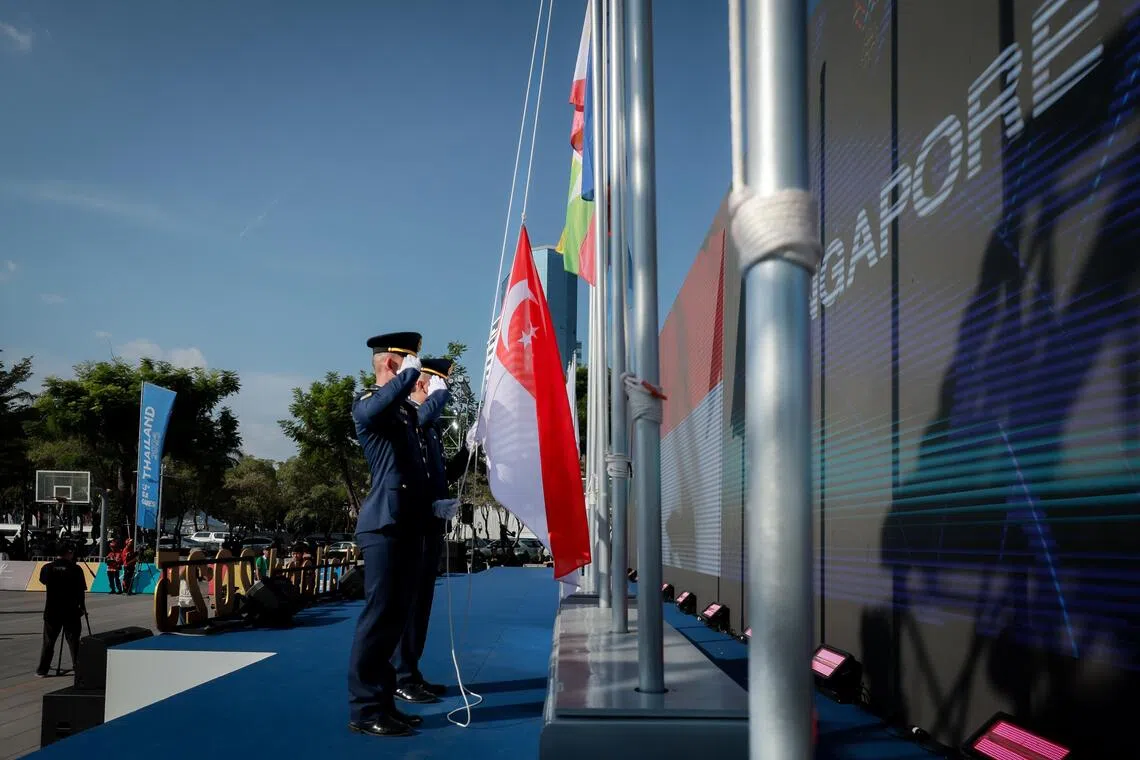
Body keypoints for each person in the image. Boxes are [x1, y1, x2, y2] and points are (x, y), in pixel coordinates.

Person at [346, 331, 431, 738]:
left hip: (409, 522)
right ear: (394, 363)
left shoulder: (403, 414)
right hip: (383, 525)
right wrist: (405, 376)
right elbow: (380, 406)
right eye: (410, 360)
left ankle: (385, 702)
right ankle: (364, 709)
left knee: (396, 619)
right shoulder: (368, 405)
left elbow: (414, 459)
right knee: (378, 618)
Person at [393, 357, 467, 701]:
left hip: (429, 524)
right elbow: (420, 418)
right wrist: (439, 397)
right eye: (428, 385)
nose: (429, 391)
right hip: (409, 525)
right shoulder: (407, 416)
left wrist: (468, 451)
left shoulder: (430, 428)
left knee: (422, 603)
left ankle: (411, 671)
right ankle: (399, 676)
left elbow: (438, 475)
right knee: (407, 605)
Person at [36, 542, 87, 677]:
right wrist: (82, 608)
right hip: (71, 611)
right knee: (74, 641)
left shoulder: (47, 568)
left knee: (49, 642)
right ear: (69, 553)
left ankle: (42, 669)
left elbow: (43, 581)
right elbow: (81, 591)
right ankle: (78, 667)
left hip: (52, 610)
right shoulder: (76, 569)